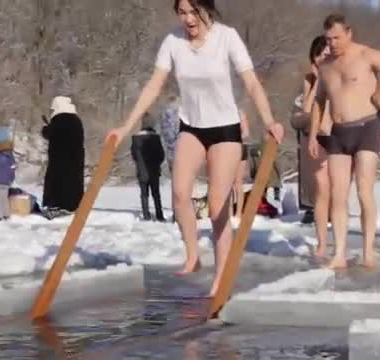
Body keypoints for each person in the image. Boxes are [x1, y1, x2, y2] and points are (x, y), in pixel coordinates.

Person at [106, 0, 284, 297]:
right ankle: (193, 255)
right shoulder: (173, 41)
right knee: (178, 191)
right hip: (192, 126)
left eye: (194, 12)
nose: (188, 19)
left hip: (225, 129)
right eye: (182, 12)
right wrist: (126, 126)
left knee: (217, 205)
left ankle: (222, 273)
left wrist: (269, 121)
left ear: (207, 10)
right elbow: (153, 86)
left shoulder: (226, 36)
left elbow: (251, 83)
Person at [309, 14, 380, 269]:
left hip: (367, 126)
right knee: (338, 195)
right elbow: (320, 101)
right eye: (329, 39)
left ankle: (368, 251)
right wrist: (312, 134)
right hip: (338, 132)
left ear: (349, 33)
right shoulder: (326, 65)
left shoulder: (366, 55)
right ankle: (340, 252)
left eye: (337, 38)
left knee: (364, 192)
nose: (332, 43)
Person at [292, 36, 333, 258]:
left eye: (326, 54)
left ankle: (340, 241)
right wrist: (317, 82)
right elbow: (306, 111)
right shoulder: (310, 79)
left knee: (338, 193)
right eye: (319, 56)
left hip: (338, 135)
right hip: (318, 136)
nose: (322, 59)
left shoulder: (339, 74)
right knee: (321, 190)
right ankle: (322, 243)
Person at [41, 96, 85, 219]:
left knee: (58, 182)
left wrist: (46, 129)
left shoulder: (59, 119)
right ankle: (73, 205)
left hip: (59, 159)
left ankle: (56, 205)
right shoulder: (76, 120)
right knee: (73, 182)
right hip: (76, 159)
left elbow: (50, 134)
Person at [131, 113, 166, 221]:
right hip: (154, 170)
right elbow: (161, 155)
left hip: (141, 171)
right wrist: (157, 164)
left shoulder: (135, 139)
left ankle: (146, 215)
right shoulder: (156, 138)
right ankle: (159, 215)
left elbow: (134, 155)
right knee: (156, 194)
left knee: (144, 194)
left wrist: (139, 164)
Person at [233, 110, 250, 219]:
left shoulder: (240, 112)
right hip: (225, 149)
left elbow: (246, 132)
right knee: (227, 184)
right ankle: (229, 212)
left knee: (238, 182)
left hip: (239, 147)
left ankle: (238, 213)